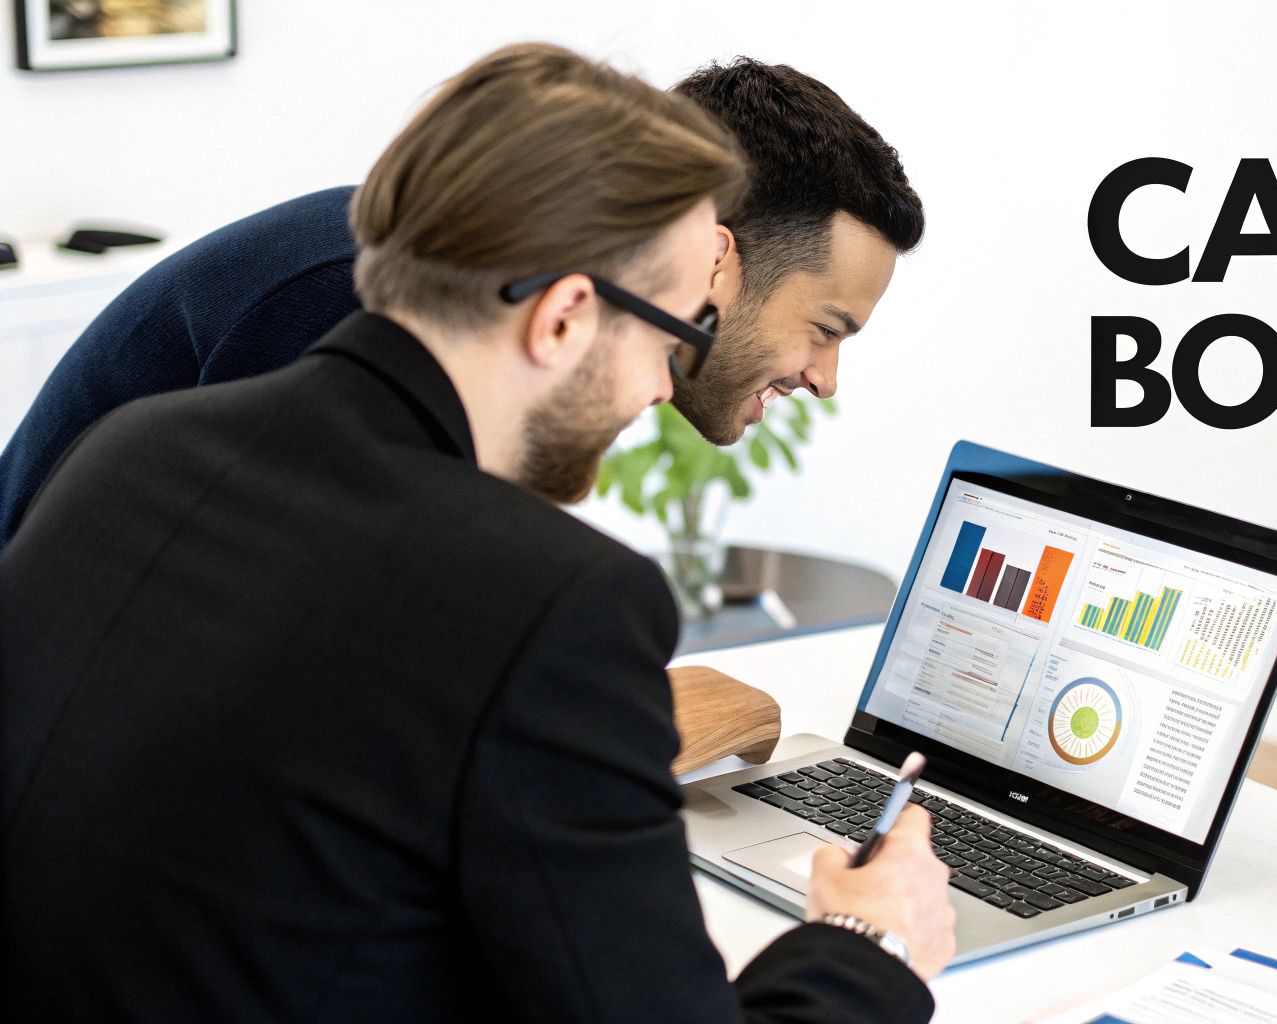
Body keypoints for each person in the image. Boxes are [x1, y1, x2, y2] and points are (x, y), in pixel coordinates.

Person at [0, 44, 954, 1021]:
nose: (661, 381)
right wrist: (866, 943)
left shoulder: (132, 448)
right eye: (669, 330)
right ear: (563, 316)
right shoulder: (537, 590)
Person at [0, 57, 923, 548]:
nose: (826, 378)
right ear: (714, 256)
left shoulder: (511, 340)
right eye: (826, 327)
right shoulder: (348, 306)